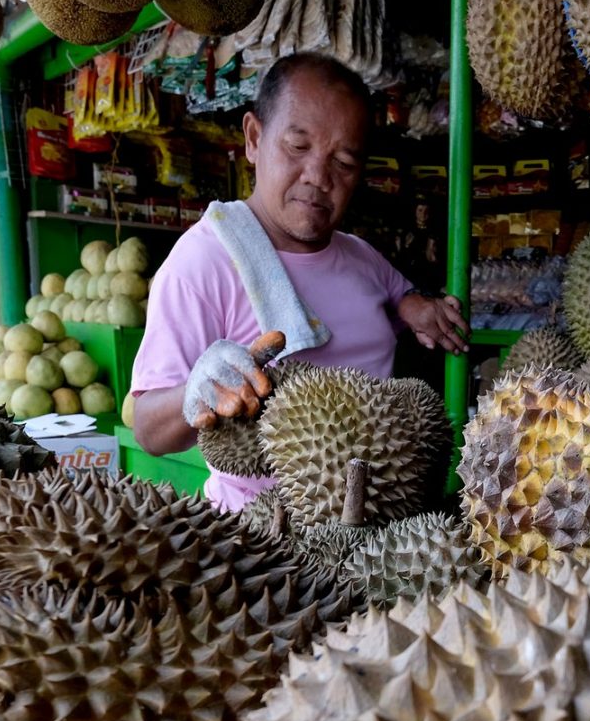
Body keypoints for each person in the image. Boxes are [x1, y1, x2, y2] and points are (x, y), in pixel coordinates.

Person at [130, 52, 466, 509]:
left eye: (343, 162)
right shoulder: (202, 261)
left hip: (381, 524)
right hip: (267, 544)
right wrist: (196, 391)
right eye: (297, 146)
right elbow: (148, 429)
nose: (318, 177)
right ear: (253, 138)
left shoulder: (360, 254)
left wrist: (414, 307)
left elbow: (395, 292)